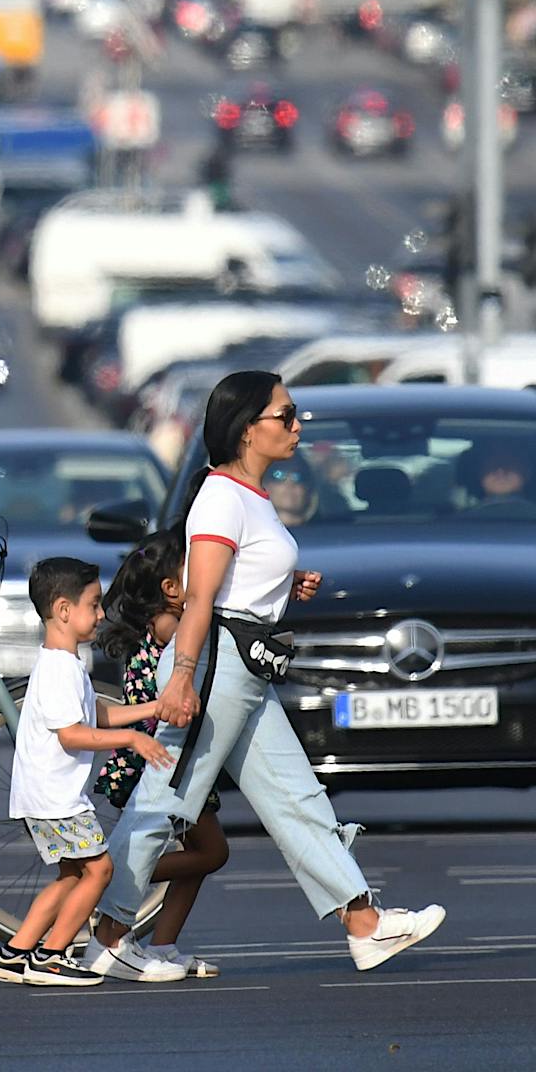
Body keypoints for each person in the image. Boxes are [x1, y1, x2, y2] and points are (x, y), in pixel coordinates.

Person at [87, 371, 446, 978]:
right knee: (167, 799)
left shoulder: (248, 496)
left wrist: (285, 586)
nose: (297, 425)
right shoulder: (221, 496)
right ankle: (107, 936)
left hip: (247, 673)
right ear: (247, 428)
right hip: (218, 669)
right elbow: (200, 599)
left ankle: (365, 925)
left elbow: (238, 581)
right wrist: (180, 678)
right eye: (286, 415)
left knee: (296, 799)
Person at [0, 556, 176, 990]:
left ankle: (15, 953)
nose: (100, 615)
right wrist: (134, 740)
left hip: (48, 796)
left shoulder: (67, 663)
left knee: (73, 874)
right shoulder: (57, 670)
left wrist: (152, 710)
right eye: (93, 605)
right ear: (63, 610)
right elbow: (74, 735)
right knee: (99, 871)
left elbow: (96, 716)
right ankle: (52, 956)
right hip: (56, 798)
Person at [93, 531, 230, 977]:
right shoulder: (172, 626)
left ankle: (164, 943)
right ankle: (101, 883)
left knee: (204, 852)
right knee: (211, 852)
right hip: (164, 759)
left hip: (172, 758)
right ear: (171, 589)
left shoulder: (161, 622)